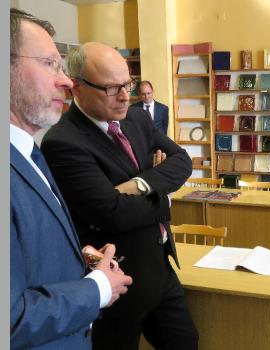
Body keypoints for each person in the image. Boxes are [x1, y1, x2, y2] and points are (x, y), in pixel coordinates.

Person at [41, 42, 198, 350]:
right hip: (115, 280)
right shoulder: (62, 142)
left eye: (128, 84)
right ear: (77, 88)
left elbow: (182, 160)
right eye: (112, 89)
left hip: (160, 265)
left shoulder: (137, 119)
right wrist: (163, 200)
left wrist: (140, 185)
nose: (126, 95)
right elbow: (111, 212)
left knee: (186, 341)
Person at [9, 8, 133, 349]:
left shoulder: (29, 153)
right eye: (49, 63)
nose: (66, 80)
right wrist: (98, 288)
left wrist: (74, 258)